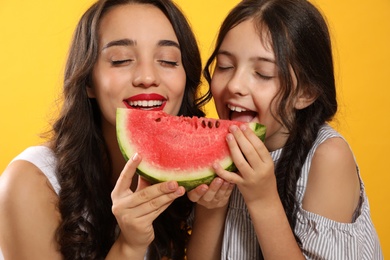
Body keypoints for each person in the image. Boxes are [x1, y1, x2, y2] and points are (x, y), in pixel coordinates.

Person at [0, 0, 209, 259]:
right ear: (88, 80)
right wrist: (129, 245)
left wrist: (213, 208)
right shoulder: (30, 182)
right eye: (121, 60)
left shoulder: (189, 181)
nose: (147, 76)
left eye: (167, 61)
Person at [186, 0, 383, 259]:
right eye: (225, 66)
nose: (235, 84)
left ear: (307, 92)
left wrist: (263, 200)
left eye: (264, 73)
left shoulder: (328, 158)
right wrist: (210, 209)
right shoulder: (220, 152)